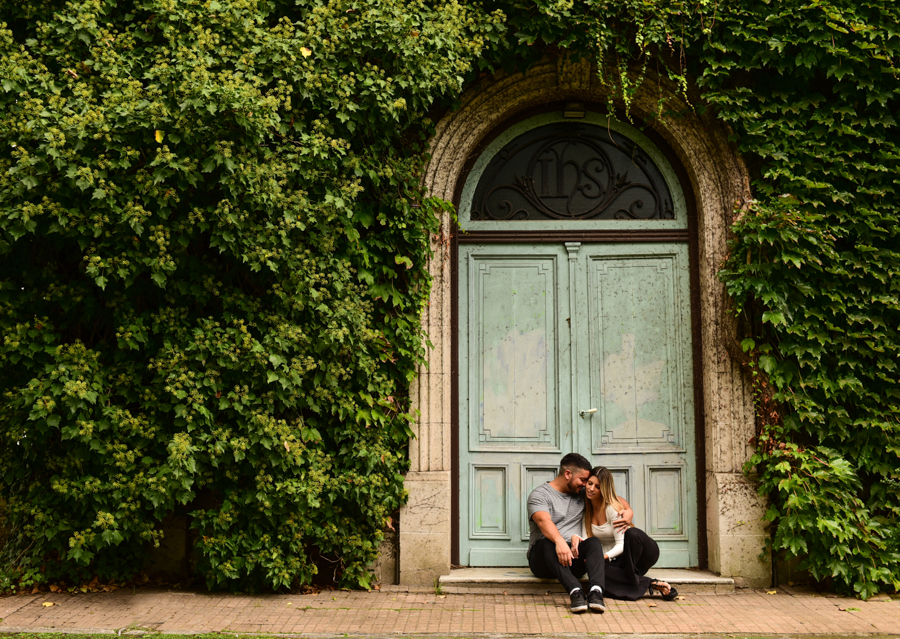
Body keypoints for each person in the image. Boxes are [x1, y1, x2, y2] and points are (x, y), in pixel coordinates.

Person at [526, 453, 634, 614]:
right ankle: (575, 591)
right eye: (583, 480)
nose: (586, 485)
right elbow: (543, 521)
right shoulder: (540, 495)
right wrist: (559, 542)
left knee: (593, 543)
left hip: (573, 557)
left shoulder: (582, 492)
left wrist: (629, 511)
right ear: (568, 474)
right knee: (547, 543)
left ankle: (596, 592)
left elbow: (611, 497)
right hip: (544, 560)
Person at [571, 466, 678, 601]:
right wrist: (577, 539)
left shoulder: (612, 508)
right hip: (620, 562)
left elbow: (621, 545)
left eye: (597, 487)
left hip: (640, 553)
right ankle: (650, 583)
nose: (591, 489)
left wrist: (601, 557)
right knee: (600, 575)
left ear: (604, 489)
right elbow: (587, 540)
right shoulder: (586, 510)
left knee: (631, 533)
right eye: (590, 483)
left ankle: (633, 580)